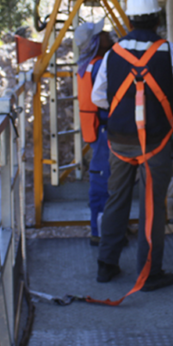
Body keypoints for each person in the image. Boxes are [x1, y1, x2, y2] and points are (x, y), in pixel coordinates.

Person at [92, 0, 173, 292]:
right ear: (158, 19)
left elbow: (98, 97)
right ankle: (149, 274)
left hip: (119, 144)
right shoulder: (169, 51)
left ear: (130, 19)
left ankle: (106, 266)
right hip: (156, 146)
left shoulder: (113, 54)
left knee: (116, 201)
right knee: (152, 208)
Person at [74, 18, 113, 246]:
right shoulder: (99, 65)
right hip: (104, 130)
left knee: (103, 179)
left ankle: (105, 227)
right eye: (102, 33)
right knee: (102, 181)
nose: (108, 33)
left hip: (97, 130)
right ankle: (100, 233)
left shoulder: (86, 64)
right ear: (96, 41)